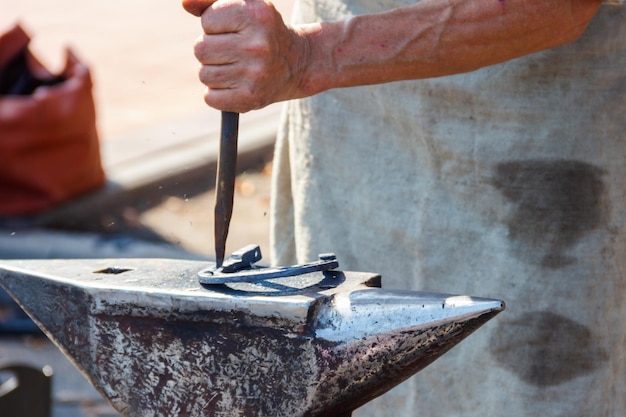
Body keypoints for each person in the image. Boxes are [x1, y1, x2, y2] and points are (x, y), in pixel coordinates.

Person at [183, 0, 626, 415]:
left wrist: (311, 57)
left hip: (531, 148)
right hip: (346, 130)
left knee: (526, 386)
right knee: (339, 373)